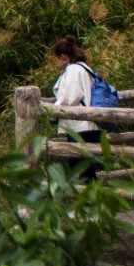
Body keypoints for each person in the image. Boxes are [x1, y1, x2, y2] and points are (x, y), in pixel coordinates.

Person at [49, 37, 106, 175]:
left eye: (56, 58)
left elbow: (70, 97)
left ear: (64, 57)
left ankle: (86, 196)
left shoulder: (73, 70)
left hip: (80, 127)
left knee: (81, 170)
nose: (56, 62)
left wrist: (51, 111)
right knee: (89, 170)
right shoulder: (83, 68)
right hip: (87, 125)